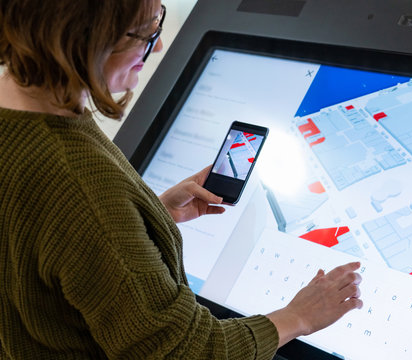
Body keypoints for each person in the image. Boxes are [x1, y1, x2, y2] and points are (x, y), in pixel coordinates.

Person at [0, 0, 363, 359]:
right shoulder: (82, 182)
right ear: (85, 35)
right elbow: (185, 350)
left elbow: (41, 241)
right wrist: (298, 316)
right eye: (146, 32)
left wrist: (142, 220)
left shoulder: (22, 120)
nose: (157, 45)